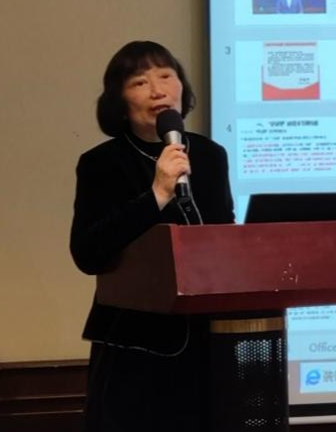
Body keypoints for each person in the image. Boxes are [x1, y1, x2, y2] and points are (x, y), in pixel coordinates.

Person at [70, 41, 234, 431]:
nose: (158, 90)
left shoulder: (210, 155)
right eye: (140, 82)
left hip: (209, 340)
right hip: (136, 345)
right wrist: (158, 193)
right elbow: (88, 253)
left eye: (166, 76)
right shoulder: (101, 164)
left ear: (181, 87)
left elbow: (224, 239)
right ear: (120, 101)